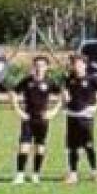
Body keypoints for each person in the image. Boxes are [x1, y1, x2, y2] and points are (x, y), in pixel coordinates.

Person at [11, 55, 62, 184]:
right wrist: (18, 110)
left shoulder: (50, 82)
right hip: (28, 118)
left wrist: (54, 111)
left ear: (46, 68)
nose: (39, 68)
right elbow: (13, 93)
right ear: (33, 67)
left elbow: (64, 95)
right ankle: (20, 174)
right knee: (24, 147)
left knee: (40, 148)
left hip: (43, 119)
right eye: (37, 66)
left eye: (42, 66)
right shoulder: (27, 81)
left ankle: (35, 174)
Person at [63, 54, 97, 185]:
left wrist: (96, 107)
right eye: (74, 64)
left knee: (88, 145)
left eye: (79, 64)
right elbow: (66, 95)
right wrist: (65, 100)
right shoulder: (69, 79)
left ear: (85, 65)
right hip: (72, 116)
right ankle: (73, 173)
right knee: (72, 147)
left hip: (86, 117)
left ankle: (94, 172)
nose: (77, 66)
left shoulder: (92, 79)